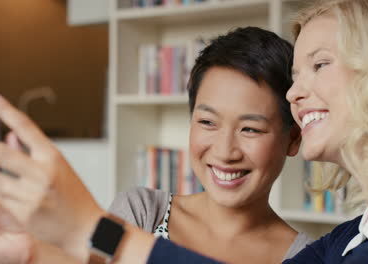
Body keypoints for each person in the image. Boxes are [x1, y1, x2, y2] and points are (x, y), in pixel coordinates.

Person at [0, 0, 368, 263]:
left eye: (320, 65)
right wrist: (31, 249)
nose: (296, 93)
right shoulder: (350, 239)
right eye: (207, 121)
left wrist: (89, 226)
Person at [108, 26, 310, 263]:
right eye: (207, 122)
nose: (225, 152)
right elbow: (88, 257)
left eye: (250, 129)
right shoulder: (138, 210)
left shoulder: (307, 256)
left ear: (294, 138)